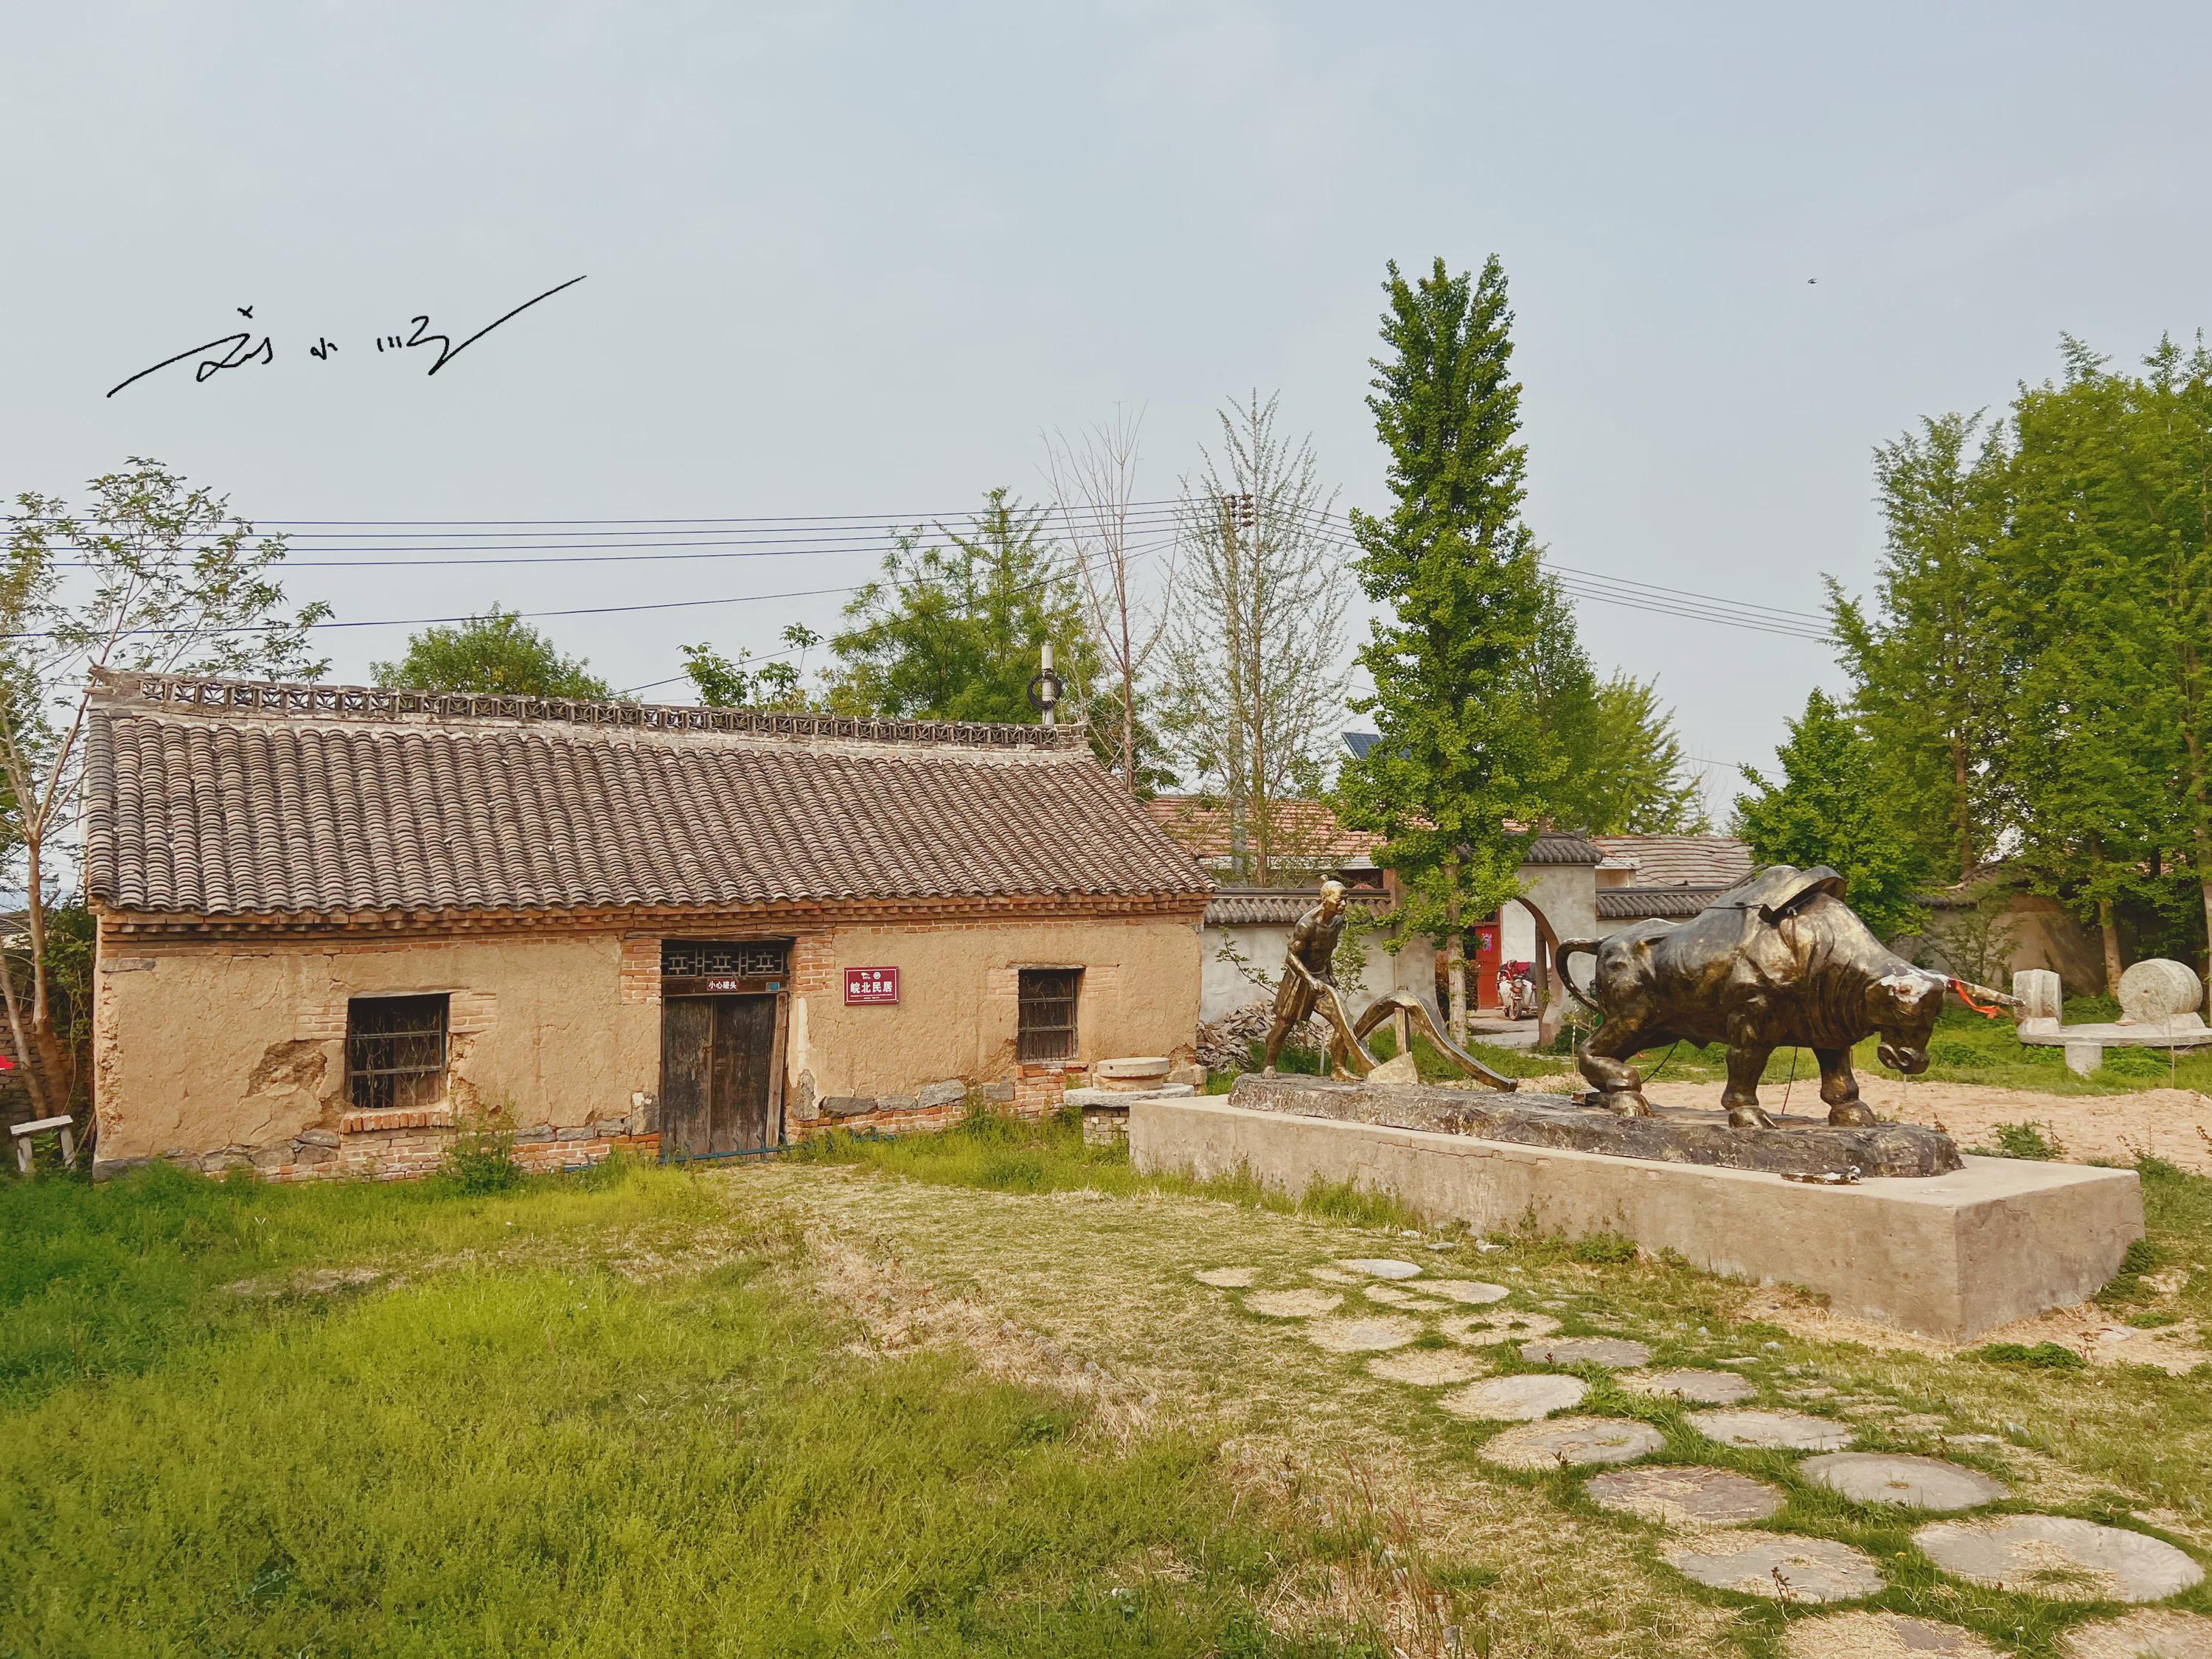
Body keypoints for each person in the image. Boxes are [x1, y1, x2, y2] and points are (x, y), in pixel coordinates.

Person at [1262, 880, 1354, 1074]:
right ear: (1324, 899)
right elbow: (1291, 957)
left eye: (1345, 900)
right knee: (1283, 1027)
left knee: (1343, 1023)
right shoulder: (1307, 924)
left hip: (1322, 982)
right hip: (1299, 982)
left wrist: (1330, 974)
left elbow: (1326, 952)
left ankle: (1338, 1068)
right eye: (1339, 900)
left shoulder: (1337, 922)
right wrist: (1310, 979)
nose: (1343, 905)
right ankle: (1269, 1064)